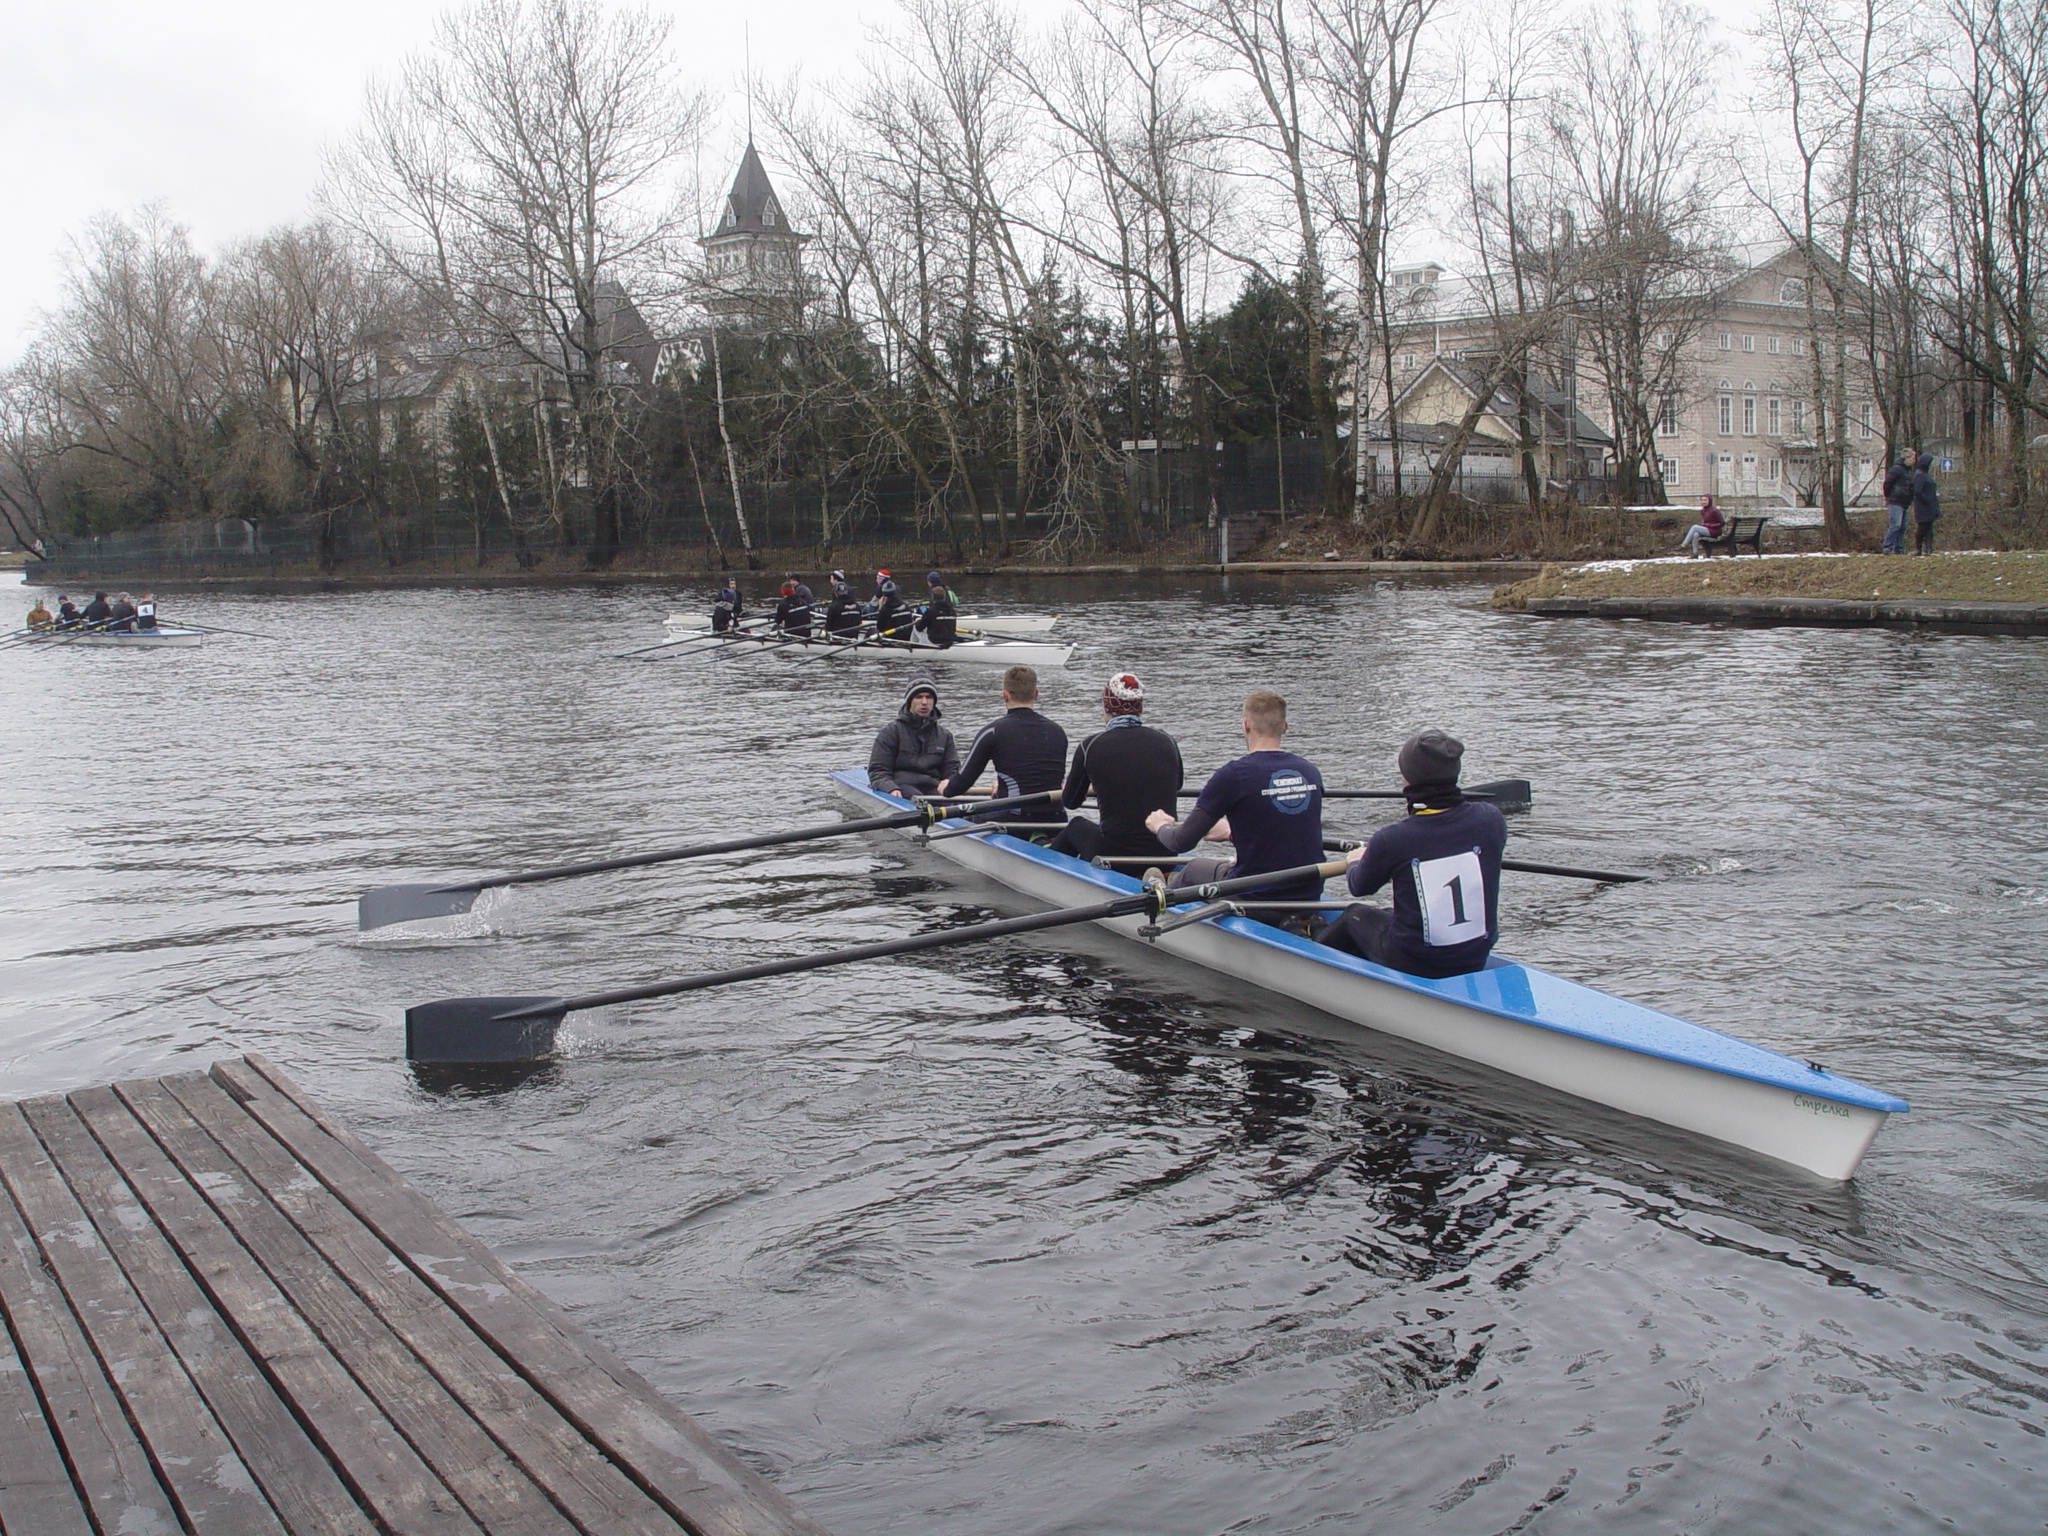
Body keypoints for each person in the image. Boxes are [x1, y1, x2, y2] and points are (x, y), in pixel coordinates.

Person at [1318, 731, 1507, 979]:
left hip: (1414, 961)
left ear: (1407, 778)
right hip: (1474, 955)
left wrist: (1356, 861)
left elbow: (1359, 885)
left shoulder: (1394, 839)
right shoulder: (1491, 819)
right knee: (1388, 913)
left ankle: (1311, 960)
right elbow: (1445, 839)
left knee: (1356, 914)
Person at [1145, 689, 1325, 907]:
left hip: (1252, 896)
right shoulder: (1310, 772)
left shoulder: (1234, 775)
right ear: (1285, 727)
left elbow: (1181, 842)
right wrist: (1233, 833)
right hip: (1308, 892)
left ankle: (1162, 895)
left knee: (1194, 868)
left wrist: (1161, 826)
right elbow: (1285, 827)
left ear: (1246, 725)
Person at [1050, 671, 1183, 865]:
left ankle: (1047, 872)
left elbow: (1070, 802)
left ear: (1107, 706)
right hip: (1165, 849)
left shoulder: (1090, 746)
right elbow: (1176, 786)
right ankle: (1159, 873)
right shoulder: (1167, 740)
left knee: (1075, 826)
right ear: (1140, 707)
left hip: (1116, 855)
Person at [939, 665, 1069, 831]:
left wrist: (946, 788)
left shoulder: (992, 732)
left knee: (967, 816)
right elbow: (1039, 776)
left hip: (1015, 821)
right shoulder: (1058, 731)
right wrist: (1003, 786)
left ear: (1004, 695)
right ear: (1036, 694)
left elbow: (961, 784)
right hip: (1055, 820)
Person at [868, 678, 961, 800]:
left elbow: (952, 769)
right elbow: (877, 770)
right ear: (910, 701)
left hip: (933, 786)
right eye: (918, 697)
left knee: (950, 805)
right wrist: (890, 788)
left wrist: (950, 781)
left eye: (928, 697)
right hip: (902, 785)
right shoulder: (891, 732)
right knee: (920, 801)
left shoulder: (945, 735)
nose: (924, 702)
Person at [1881, 451, 1915, 554]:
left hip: (1904, 501)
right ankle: (1887, 546)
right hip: (1895, 501)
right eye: (1912, 458)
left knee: (1902, 526)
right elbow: (1887, 483)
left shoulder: (1908, 471)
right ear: (1907, 458)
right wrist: (1889, 495)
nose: (1914, 460)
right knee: (1896, 524)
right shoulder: (1897, 469)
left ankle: (1898, 548)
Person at [915, 571, 959, 648]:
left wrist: (917, 621)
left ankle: (913, 648)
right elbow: (956, 602)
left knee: (916, 624)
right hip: (950, 637)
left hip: (935, 640)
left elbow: (919, 627)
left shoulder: (931, 610)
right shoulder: (953, 611)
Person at [1911, 452, 1941, 555]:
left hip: (1928, 506)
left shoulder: (1924, 475)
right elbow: (1917, 491)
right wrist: (1927, 500)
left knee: (1929, 528)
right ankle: (1918, 548)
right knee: (1922, 528)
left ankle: (1929, 548)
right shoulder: (1920, 475)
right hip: (1923, 506)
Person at [872, 571, 912, 641]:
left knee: (871, 630)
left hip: (891, 639)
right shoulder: (906, 606)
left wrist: (880, 608)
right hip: (907, 637)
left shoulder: (885, 609)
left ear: (884, 595)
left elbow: (880, 628)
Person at [824, 571, 864, 639]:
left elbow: (829, 628)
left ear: (836, 593)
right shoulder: (857, 606)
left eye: (831, 579)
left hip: (838, 638)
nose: (830, 581)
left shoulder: (834, 607)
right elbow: (859, 622)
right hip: (853, 636)